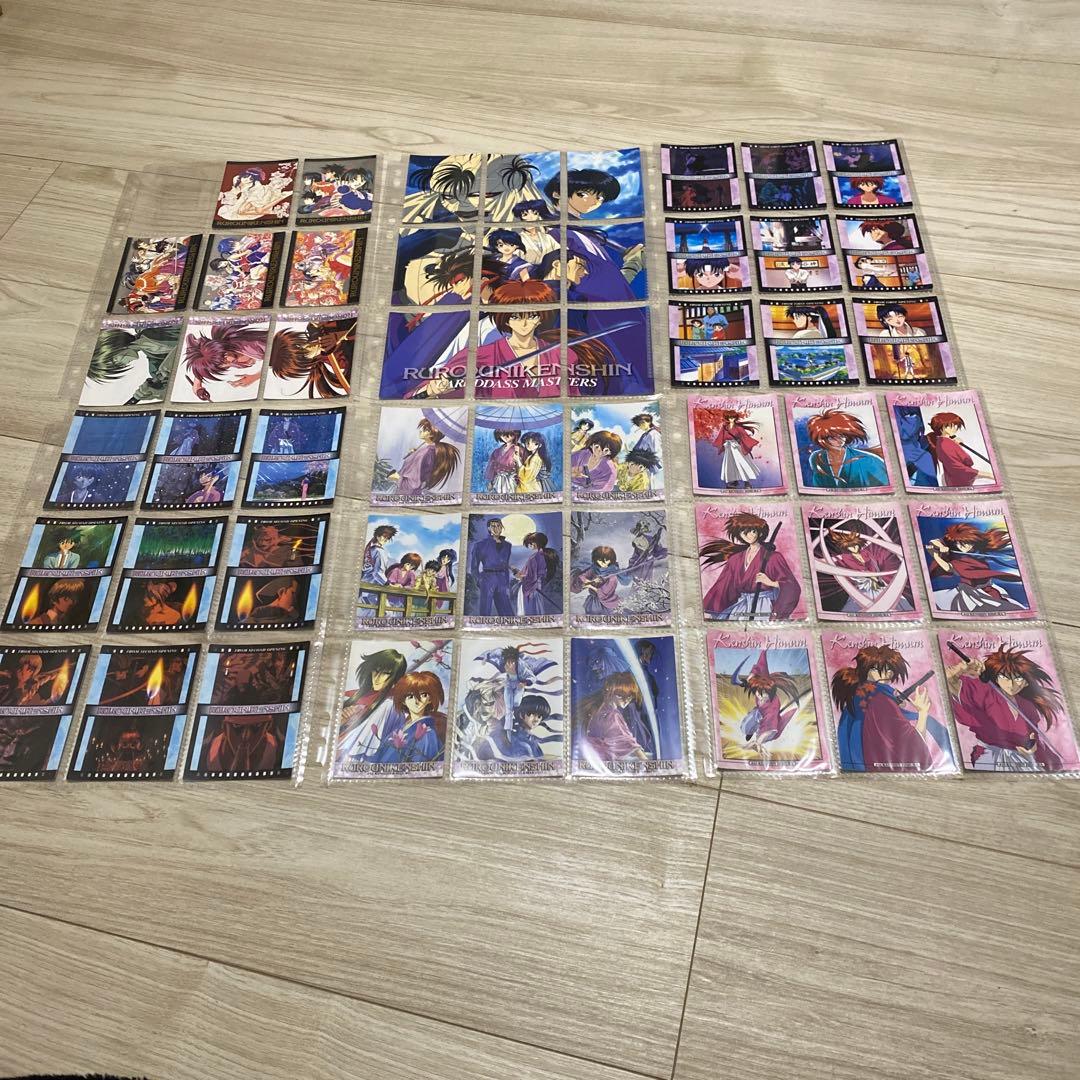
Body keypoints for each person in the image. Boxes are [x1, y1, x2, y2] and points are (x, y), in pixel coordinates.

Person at [947, 647, 1068, 771]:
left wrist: (1032, 747)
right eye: (1005, 677)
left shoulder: (1027, 705)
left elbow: (1033, 737)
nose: (1011, 684)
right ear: (996, 677)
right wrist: (961, 668)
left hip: (1022, 759)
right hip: (990, 757)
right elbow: (947, 680)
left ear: (1026, 682)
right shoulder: (984, 690)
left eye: (1018, 678)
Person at [831, 646, 948, 772]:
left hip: (857, 767)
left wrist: (894, 706)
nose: (885, 674)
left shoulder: (860, 693)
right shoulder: (881, 699)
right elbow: (912, 746)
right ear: (865, 670)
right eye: (876, 669)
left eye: (889, 670)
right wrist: (922, 712)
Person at [700, 512, 800, 620]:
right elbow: (723, 586)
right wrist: (709, 610)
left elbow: (792, 587)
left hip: (764, 606)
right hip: (741, 606)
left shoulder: (773, 557)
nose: (749, 535)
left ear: (760, 533)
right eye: (744, 532)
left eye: (753, 531)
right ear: (739, 534)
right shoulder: (735, 560)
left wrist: (771, 583)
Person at [925, 524, 1027, 613]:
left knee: (1005, 605)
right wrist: (938, 551)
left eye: (967, 543)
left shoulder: (977, 553)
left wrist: (936, 554)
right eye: (959, 544)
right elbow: (946, 565)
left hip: (986, 589)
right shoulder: (960, 559)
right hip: (971, 591)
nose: (963, 547)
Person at [734, 652, 800, 755]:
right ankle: (751, 731)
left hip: (768, 715)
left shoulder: (773, 705)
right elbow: (757, 669)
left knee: (766, 730)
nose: (760, 696)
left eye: (764, 693)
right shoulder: (757, 686)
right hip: (759, 712)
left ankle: (757, 737)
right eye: (757, 692)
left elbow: (770, 727)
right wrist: (750, 679)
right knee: (747, 726)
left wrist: (758, 742)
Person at [804, 409, 890, 489]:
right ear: (823, 438)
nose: (839, 440)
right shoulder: (816, 457)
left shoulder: (867, 460)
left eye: (842, 435)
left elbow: (884, 483)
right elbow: (818, 484)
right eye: (833, 437)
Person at [180, 322, 265, 401]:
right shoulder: (220, 361)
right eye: (222, 364)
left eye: (224, 356)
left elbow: (272, 360)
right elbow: (202, 364)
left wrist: (255, 377)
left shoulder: (252, 345)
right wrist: (197, 384)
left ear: (221, 348)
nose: (228, 361)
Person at [580, 671, 649, 762]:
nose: (626, 700)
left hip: (593, 755)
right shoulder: (612, 714)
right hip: (601, 757)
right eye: (620, 695)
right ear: (609, 692)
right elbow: (626, 739)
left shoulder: (599, 708)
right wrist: (644, 759)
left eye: (629, 696)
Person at [390, 418, 461, 497]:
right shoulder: (430, 450)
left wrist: (396, 477)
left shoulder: (424, 453)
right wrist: (413, 455)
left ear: (432, 434)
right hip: (413, 495)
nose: (421, 431)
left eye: (425, 429)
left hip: (407, 496)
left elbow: (412, 485)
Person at [926, 412, 987, 487]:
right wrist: (987, 475)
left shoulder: (941, 442)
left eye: (955, 425)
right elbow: (964, 463)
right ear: (942, 427)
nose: (955, 428)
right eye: (951, 426)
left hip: (952, 479)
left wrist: (957, 445)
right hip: (960, 481)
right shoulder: (946, 444)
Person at [469, 518, 515, 617]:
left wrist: (506, 583)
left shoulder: (507, 546)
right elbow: (474, 567)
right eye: (493, 526)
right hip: (487, 578)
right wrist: (479, 580)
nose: (496, 528)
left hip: (502, 579)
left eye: (499, 526)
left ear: (502, 528)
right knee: (485, 610)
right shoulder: (480, 545)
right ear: (489, 528)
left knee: (507, 613)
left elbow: (506, 565)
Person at [708, 409, 760, 489]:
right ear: (727, 418)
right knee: (730, 464)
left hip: (736, 448)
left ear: (735, 418)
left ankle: (747, 483)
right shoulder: (725, 427)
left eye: (732, 417)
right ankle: (734, 481)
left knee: (742, 463)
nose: (731, 419)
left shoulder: (738, 428)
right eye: (729, 417)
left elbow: (744, 437)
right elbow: (721, 437)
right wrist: (721, 445)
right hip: (728, 448)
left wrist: (748, 443)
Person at [515, 531, 560, 616]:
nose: (529, 545)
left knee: (529, 611)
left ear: (537, 543)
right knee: (537, 610)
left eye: (530, 543)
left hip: (530, 589)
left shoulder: (535, 557)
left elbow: (531, 577)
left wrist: (520, 577)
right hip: (538, 587)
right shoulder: (544, 555)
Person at [571, 545, 622, 617]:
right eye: (600, 560)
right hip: (593, 600)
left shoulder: (612, 576)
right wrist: (592, 581)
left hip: (607, 603)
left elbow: (604, 593)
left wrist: (590, 586)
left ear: (611, 559)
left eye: (606, 560)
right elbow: (582, 577)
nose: (603, 563)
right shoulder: (595, 569)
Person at [570, 429, 621, 494]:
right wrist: (572, 474)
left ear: (610, 452)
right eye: (597, 447)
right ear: (592, 445)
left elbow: (603, 489)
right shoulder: (580, 455)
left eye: (605, 450)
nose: (599, 451)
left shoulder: (610, 470)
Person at [484, 430, 523, 496]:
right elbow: (492, 468)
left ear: (515, 434)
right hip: (498, 481)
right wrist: (491, 482)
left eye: (508, 434)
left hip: (512, 481)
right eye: (502, 434)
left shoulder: (519, 450)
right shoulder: (497, 451)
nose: (505, 436)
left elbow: (523, 468)